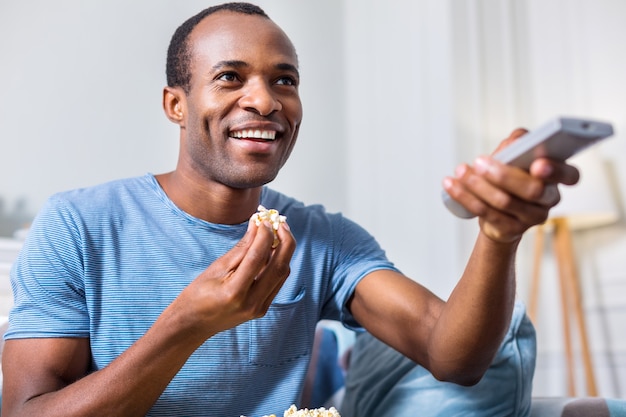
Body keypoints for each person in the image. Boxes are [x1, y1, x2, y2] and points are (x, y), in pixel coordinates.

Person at [1, 3, 579, 417]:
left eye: (285, 80)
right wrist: (188, 325)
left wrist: (499, 236)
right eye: (230, 77)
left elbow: (452, 356)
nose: (264, 100)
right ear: (176, 104)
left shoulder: (322, 238)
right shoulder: (79, 224)